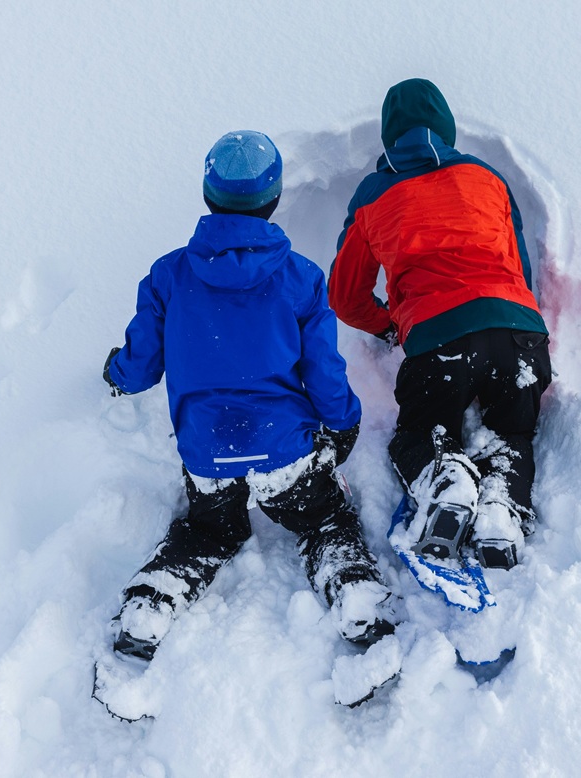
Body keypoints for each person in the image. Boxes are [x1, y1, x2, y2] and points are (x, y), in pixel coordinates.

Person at [103, 130, 395, 661]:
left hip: (206, 455)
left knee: (209, 530)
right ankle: (353, 592)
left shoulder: (169, 275)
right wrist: (344, 419)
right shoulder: (300, 279)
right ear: (275, 198)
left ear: (208, 196)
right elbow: (324, 370)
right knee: (323, 518)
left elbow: (141, 366)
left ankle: (153, 602)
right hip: (283, 451)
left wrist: (117, 373)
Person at [328, 79, 552, 571]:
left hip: (438, 342)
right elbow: (522, 270)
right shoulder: (487, 177)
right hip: (518, 331)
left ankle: (445, 478)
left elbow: (344, 297)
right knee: (511, 436)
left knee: (419, 434)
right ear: (446, 128)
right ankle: (500, 511)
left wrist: (392, 326)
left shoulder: (373, 195)